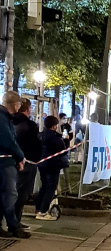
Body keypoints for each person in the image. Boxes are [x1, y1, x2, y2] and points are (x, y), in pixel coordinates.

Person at [0, 91, 30, 238]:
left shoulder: (5, 118)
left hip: (5, 161)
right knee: (10, 195)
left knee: (4, 195)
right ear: (15, 105)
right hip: (4, 164)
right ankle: (14, 226)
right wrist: (20, 156)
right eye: (19, 103)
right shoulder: (2, 119)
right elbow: (8, 141)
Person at [13, 98, 41, 227]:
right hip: (27, 162)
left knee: (11, 192)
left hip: (11, 161)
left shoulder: (10, 122)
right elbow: (35, 145)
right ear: (28, 109)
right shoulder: (29, 125)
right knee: (21, 194)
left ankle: (11, 220)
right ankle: (15, 221)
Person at [35, 116, 69, 221]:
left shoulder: (40, 135)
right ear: (54, 126)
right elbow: (64, 151)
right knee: (50, 187)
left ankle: (38, 208)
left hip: (42, 164)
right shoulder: (56, 139)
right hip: (53, 165)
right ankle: (43, 211)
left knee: (44, 186)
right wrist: (66, 141)